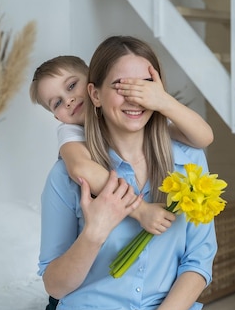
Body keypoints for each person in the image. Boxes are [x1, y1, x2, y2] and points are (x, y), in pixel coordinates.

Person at [38, 36, 222, 310]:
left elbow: (198, 263)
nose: (135, 98)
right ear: (95, 94)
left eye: (145, 86)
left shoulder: (190, 161)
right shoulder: (68, 172)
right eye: (123, 86)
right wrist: (93, 234)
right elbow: (54, 285)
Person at [29, 55, 213, 236]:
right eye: (58, 103)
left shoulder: (134, 116)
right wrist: (140, 210)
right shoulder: (71, 131)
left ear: (92, 80)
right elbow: (80, 167)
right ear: (57, 117)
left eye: (71, 86)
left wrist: (164, 101)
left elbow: (203, 138)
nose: (68, 100)